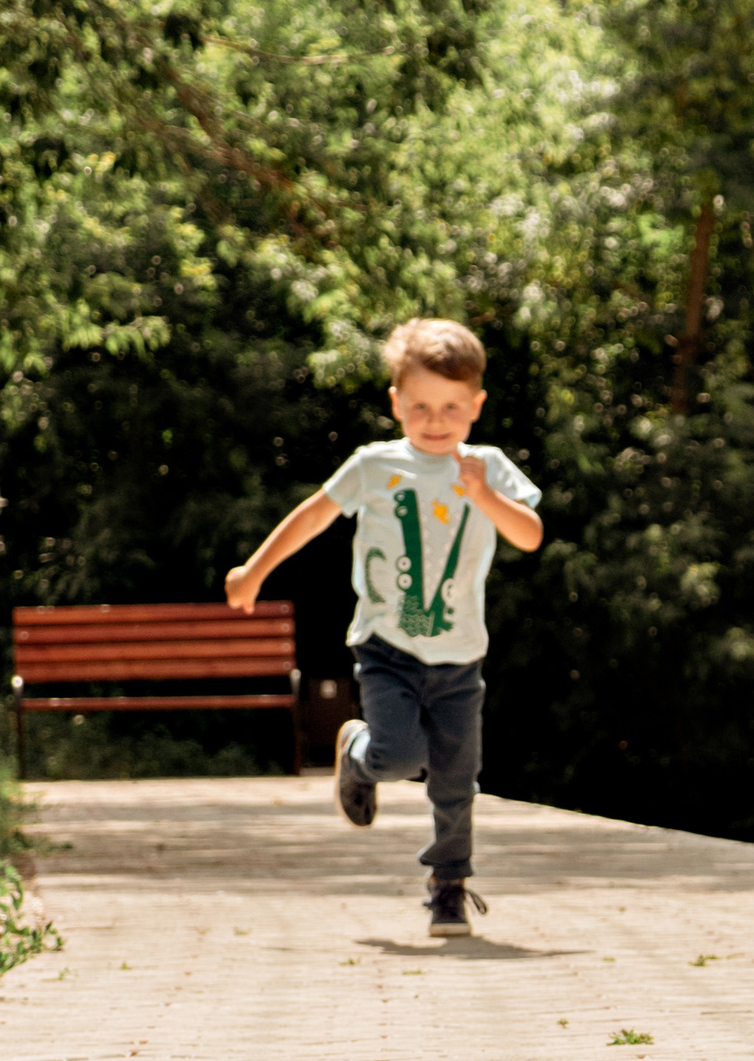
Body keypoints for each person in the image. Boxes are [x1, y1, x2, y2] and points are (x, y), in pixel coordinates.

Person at [225, 319, 544, 937]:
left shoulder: (488, 468)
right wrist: (255, 571)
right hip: (387, 649)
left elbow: (529, 536)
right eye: (420, 405)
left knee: (457, 780)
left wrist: (485, 496)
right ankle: (358, 755)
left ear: (476, 405)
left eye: (452, 406)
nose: (435, 419)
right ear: (396, 401)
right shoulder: (375, 466)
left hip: (459, 660)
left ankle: (448, 885)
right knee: (399, 755)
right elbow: (312, 516)